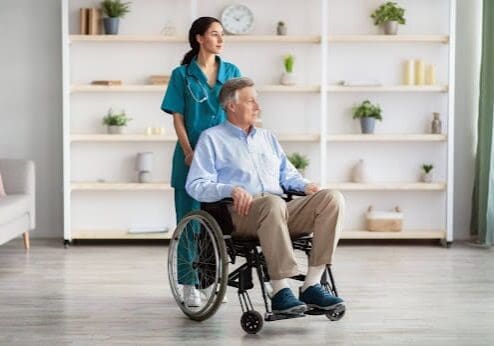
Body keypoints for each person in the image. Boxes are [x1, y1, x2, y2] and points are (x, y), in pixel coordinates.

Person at [185, 77, 345, 315]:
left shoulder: (267, 138)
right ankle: (280, 291)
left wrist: (306, 186)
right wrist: (230, 189)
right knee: (272, 203)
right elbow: (196, 184)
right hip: (242, 214)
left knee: (332, 198)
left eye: (256, 101)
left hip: (280, 210)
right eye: (251, 101)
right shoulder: (212, 138)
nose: (258, 107)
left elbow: (287, 175)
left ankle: (312, 283)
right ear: (231, 106)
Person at [161, 17, 241, 307]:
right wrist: (188, 150)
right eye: (215, 34)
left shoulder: (231, 71)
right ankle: (188, 284)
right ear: (199, 38)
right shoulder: (181, 75)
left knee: (220, 225)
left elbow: (238, 112)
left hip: (222, 160)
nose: (221, 39)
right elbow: (178, 117)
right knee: (189, 223)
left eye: (223, 35)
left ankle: (212, 281)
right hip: (189, 158)